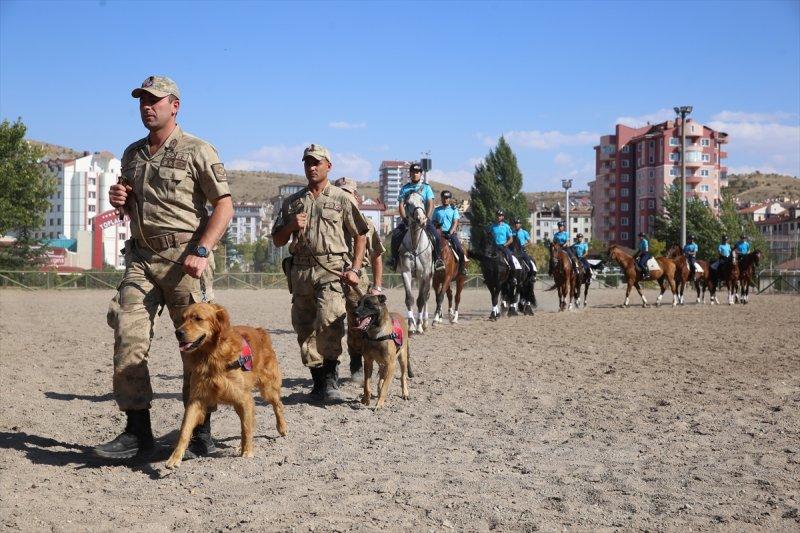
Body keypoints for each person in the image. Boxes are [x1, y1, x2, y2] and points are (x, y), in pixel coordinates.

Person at [94, 76, 234, 460]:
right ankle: (137, 431)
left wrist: (203, 249)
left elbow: (224, 205)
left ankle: (201, 433)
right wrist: (119, 199)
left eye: (155, 101)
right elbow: (130, 207)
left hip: (185, 262)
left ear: (175, 106)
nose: (146, 106)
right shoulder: (132, 154)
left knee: (199, 347)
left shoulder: (197, 150)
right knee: (127, 335)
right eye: (141, 100)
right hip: (140, 259)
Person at [272, 145, 368, 403]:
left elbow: (361, 234)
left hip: (332, 269)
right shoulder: (293, 203)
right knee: (304, 327)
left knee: (329, 320)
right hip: (301, 271)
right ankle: (317, 382)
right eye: (308, 163)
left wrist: (356, 269)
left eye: (317, 162)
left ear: (329, 166)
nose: (312, 167)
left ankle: (330, 379)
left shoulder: (341, 199)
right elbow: (278, 240)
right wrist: (292, 225)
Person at [333, 177, 386, 380]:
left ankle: (356, 360)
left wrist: (378, 286)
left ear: (356, 197)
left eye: (348, 194)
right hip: (334, 275)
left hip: (359, 280)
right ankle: (331, 366)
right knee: (332, 322)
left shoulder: (367, 224)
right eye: (341, 193)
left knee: (358, 324)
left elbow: (377, 255)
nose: (345, 198)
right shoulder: (330, 224)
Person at [388, 162, 443, 271]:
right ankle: (394, 259)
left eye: (417, 172)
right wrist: (404, 218)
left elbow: (430, 204)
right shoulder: (405, 189)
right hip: (408, 220)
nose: (415, 174)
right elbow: (401, 205)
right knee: (395, 235)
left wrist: (427, 217)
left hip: (424, 219)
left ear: (421, 174)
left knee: (436, 237)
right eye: (413, 172)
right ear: (410, 174)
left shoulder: (426, 188)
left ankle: (437, 260)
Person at [432, 190, 466, 275]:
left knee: (460, 250)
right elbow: (433, 222)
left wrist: (450, 232)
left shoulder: (454, 210)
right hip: (439, 234)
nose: (445, 200)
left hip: (450, 234)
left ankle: (462, 268)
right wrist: (436, 225)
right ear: (441, 198)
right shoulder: (437, 210)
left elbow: (455, 222)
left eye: (447, 198)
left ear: (450, 199)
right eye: (444, 198)